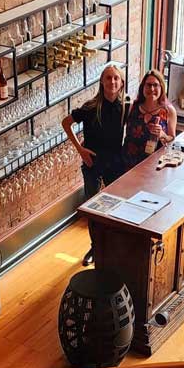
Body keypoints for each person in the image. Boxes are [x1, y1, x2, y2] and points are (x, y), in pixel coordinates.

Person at [62, 63, 130, 266]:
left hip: (116, 164)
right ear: (102, 81)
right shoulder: (91, 107)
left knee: (117, 205)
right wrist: (80, 150)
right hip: (93, 163)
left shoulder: (126, 106)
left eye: (116, 78)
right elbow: (66, 123)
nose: (112, 81)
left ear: (121, 82)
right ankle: (95, 246)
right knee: (93, 207)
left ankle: (113, 245)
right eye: (108, 78)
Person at [123, 69, 177, 171]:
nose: (152, 89)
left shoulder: (169, 111)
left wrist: (162, 134)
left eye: (156, 85)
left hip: (155, 165)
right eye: (148, 85)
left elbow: (172, 138)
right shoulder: (132, 107)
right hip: (128, 163)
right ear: (143, 87)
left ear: (161, 88)